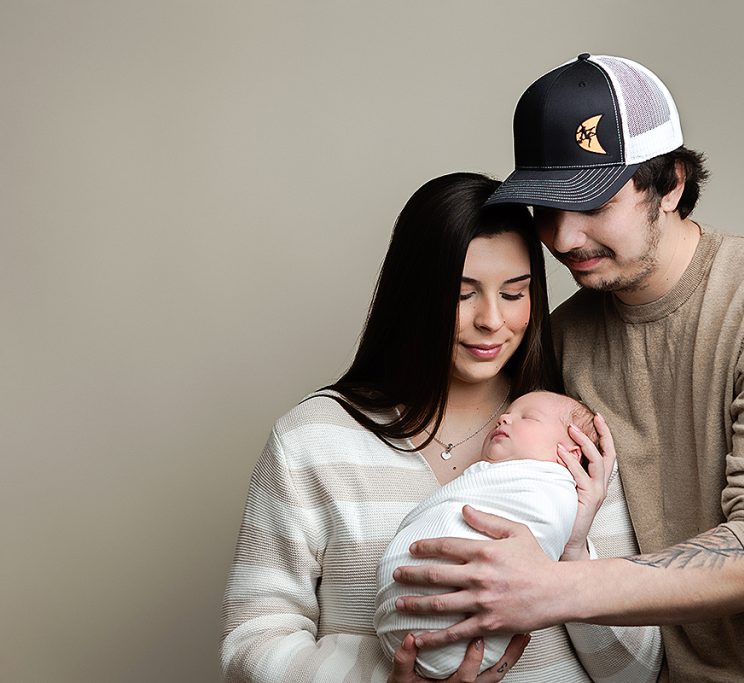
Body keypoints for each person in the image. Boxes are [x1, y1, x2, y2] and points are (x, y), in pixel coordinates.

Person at [392, 55, 744, 681]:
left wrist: (555, 587)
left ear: (672, 183)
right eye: (546, 210)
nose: (566, 239)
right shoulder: (565, 336)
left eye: (594, 202)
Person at [219, 172, 662, 682]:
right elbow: (252, 639)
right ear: (415, 297)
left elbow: (635, 673)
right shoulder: (313, 441)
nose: (491, 320)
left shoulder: (568, 437)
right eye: (462, 294)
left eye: (514, 294)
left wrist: (574, 552)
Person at [376, 391, 601, 678]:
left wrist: (574, 547)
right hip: (399, 628)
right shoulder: (487, 478)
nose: (504, 417)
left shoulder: (554, 489)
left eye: (527, 417)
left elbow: (638, 675)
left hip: (466, 640)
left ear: (571, 454)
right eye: (505, 414)